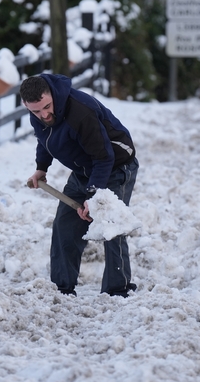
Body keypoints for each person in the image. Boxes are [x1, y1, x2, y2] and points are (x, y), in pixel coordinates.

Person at [21, 73, 139, 297]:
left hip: (114, 166)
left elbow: (104, 158)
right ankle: (61, 288)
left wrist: (94, 197)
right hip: (83, 169)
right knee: (65, 225)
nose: (44, 115)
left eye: (47, 106)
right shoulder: (38, 114)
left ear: (52, 95)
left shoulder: (80, 112)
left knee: (110, 225)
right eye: (36, 111)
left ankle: (118, 289)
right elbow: (44, 140)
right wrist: (41, 168)